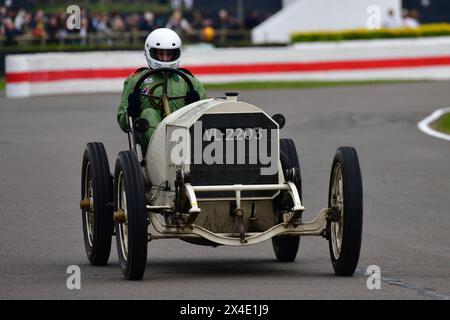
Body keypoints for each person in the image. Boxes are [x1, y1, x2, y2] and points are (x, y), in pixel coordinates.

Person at [117, 28, 206, 154]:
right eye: (160, 54)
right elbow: (124, 124)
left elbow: (205, 119)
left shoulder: (189, 81)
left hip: (185, 141)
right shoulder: (136, 80)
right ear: (150, 52)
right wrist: (132, 111)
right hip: (152, 151)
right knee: (148, 113)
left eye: (169, 54)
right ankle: (165, 152)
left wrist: (195, 106)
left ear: (176, 54)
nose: (164, 58)